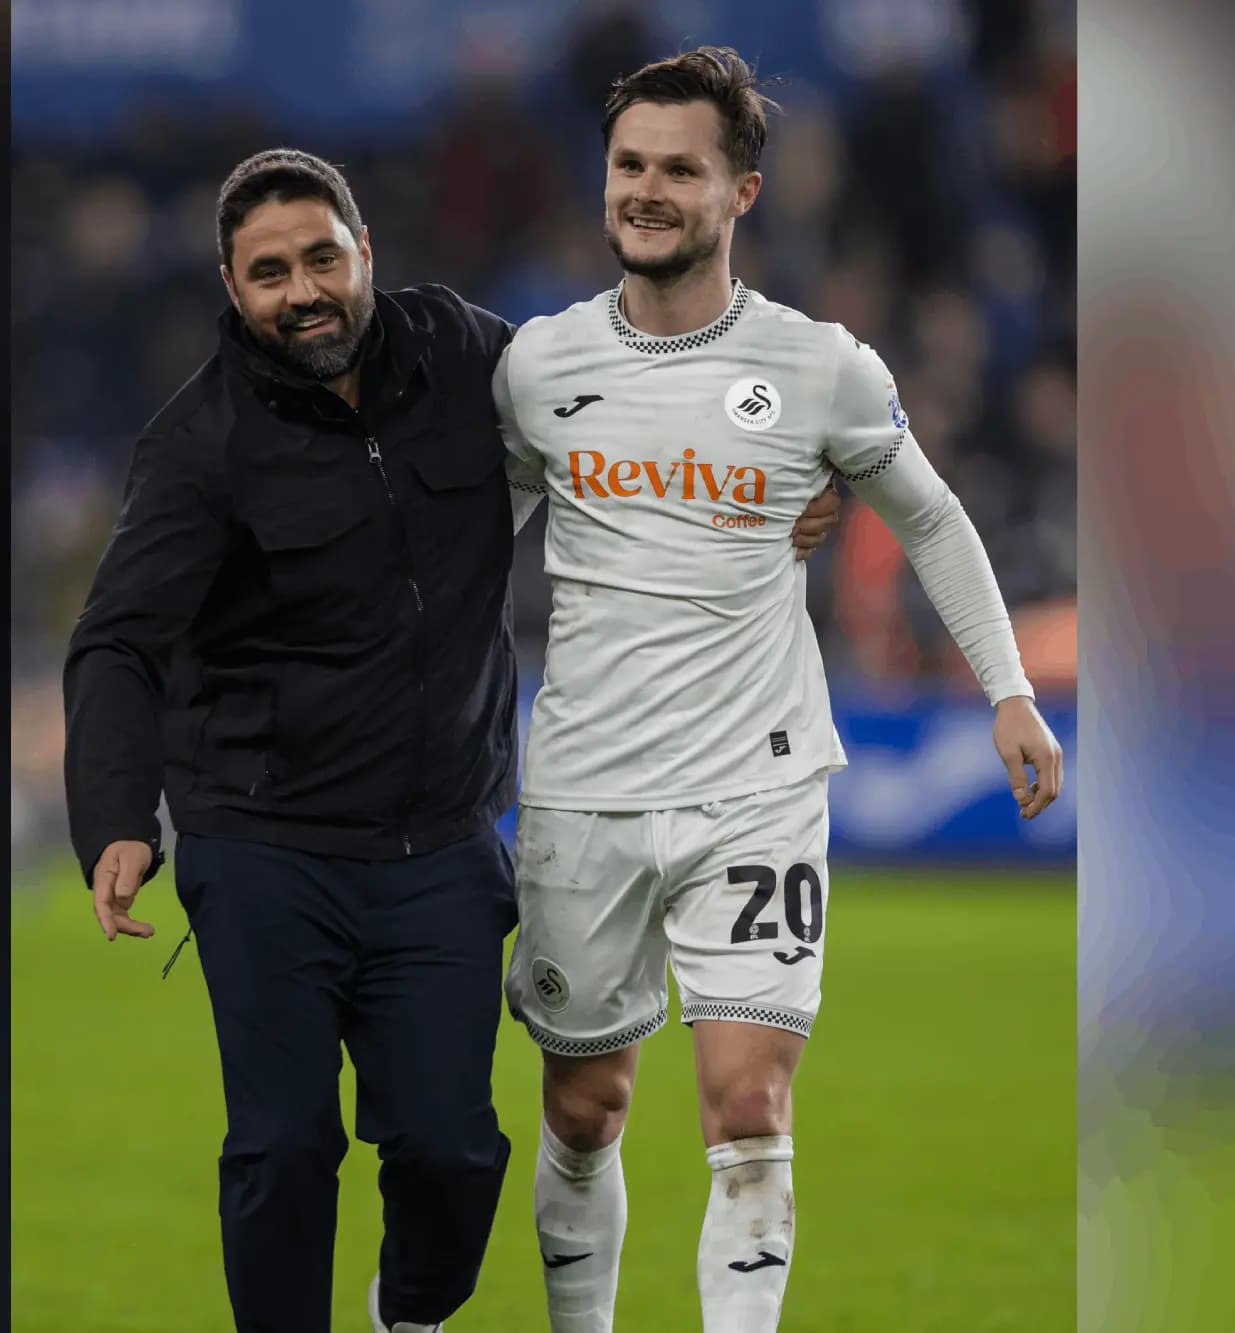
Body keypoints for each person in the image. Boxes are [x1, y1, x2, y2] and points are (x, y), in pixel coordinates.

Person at [61, 148, 841, 1333]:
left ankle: (407, 1312)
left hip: (438, 847)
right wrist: (117, 815)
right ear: (232, 287)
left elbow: (617, 407)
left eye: (321, 258)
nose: (302, 290)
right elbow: (117, 641)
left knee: (452, 1151)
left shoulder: (466, 353)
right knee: (282, 1146)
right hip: (263, 845)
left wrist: (782, 474)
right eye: (269, 273)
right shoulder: (197, 443)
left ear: (364, 251)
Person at [494, 48, 1064, 1333]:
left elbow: (930, 517)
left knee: (748, 1103)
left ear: (739, 192)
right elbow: (466, 539)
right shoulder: (537, 365)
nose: (646, 189)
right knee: (583, 1105)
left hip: (755, 782)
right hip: (581, 786)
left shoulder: (819, 368)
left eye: (678, 169)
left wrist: (1007, 687)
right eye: (627, 165)